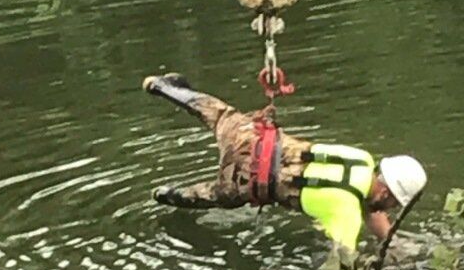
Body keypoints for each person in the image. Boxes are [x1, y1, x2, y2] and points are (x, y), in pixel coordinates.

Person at [144, 73, 427, 252]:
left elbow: (368, 201)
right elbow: (343, 260)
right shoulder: (346, 215)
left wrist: (392, 243)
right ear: (387, 193)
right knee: (210, 197)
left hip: (252, 141)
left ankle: (162, 87)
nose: (391, 209)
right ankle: (164, 194)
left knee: (218, 114)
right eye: (394, 204)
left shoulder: (360, 159)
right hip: (245, 185)